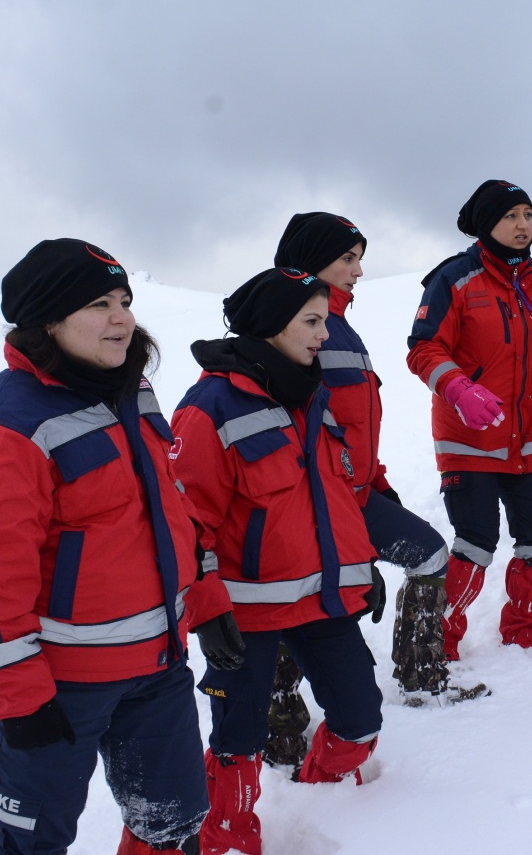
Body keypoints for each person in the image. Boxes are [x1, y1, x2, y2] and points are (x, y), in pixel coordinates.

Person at [0, 238, 233, 855]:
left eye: (124, 300)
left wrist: (206, 601)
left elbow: (171, 508)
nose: (123, 318)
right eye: (99, 304)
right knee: (28, 843)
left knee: (171, 826)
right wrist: (16, 695)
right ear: (48, 321)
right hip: (59, 683)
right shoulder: (0, 428)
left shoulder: (131, 394)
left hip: (158, 667)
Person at [172, 267, 384, 855]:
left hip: (323, 601)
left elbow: (335, 497)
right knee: (237, 740)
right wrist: (206, 608)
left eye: (324, 320)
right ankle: (228, 837)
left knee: (361, 718)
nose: (323, 334)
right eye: (311, 321)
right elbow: (186, 522)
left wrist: (361, 568)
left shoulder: (313, 396)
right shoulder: (209, 407)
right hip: (244, 614)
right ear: (270, 326)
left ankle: (322, 801)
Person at [259, 213, 479, 768]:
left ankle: (421, 673)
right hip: (314, 505)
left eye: (359, 258)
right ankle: (279, 722)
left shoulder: (340, 327)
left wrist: (377, 483)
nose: (359, 270)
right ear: (312, 263)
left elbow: (353, 428)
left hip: (354, 494)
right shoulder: (291, 326)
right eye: (347, 259)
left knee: (428, 553)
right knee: (299, 599)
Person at [407, 179, 532, 659]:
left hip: (528, 442)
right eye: (511, 216)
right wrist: (459, 389)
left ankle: (525, 632)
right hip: (469, 441)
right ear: (488, 223)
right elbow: (423, 348)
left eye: (528, 214)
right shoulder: (455, 279)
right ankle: (437, 642)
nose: (523, 225)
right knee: (476, 543)